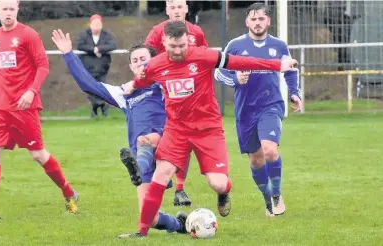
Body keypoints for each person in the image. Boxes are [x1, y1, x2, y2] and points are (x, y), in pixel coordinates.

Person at [118, 20, 298, 238]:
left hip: (208, 130)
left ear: (188, 41)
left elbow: (239, 62)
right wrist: (132, 85)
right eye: (173, 47)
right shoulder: (156, 64)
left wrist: (278, 65)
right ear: (164, 42)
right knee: (160, 175)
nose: (178, 51)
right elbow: (142, 79)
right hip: (177, 130)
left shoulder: (204, 55)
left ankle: (224, 193)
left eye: (182, 45)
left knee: (219, 184)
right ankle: (142, 232)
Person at [51, 29, 187, 235]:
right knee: (149, 218)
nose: (140, 62)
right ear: (131, 66)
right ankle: (180, 225)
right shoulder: (125, 92)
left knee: (146, 141)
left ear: (154, 61)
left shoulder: (164, 84)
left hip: (166, 146)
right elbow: (89, 85)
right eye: (135, 60)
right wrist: (68, 54)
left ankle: (138, 166)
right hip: (143, 155)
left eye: (144, 59)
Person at [0, 0, 78, 220]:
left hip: (24, 107)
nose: (8, 13)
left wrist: (31, 91)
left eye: (11, 9)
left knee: (38, 155)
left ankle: (69, 193)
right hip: (0, 106)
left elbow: (43, 65)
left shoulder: (28, 34)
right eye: (4, 8)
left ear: (17, 10)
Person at [214, 2, 302, 216]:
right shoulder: (235, 46)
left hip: (270, 105)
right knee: (256, 159)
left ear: (268, 21)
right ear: (247, 22)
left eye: (261, 18)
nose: (257, 22)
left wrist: (294, 92)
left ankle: (277, 194)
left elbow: (289, 70)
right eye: (253, 19)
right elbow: (218, 72)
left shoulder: (279, 45)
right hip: (245, 111)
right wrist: (235, 78)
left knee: (270, 149)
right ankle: (267, 199)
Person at [144, 0, 209, 207]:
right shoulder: (157, 32)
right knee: (158, 136)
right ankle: (156, 170)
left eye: (180, 7)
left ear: (187, 9)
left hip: (186, 95)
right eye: (173, 7)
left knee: (185, 140)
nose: (177, 11)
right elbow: (147, 58)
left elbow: (206, 58)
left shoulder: (196, 32)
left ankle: (179, 188)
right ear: (166, 10)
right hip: (161, 92)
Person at [77, 14, 117, 117]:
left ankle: (101, 106)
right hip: (88, 66)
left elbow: (112, 45)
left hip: (102, 66)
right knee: (90, 88)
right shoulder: (84, 34)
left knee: (102, 87)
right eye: (94, 23)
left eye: (98, 23)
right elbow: (80, 45)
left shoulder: (106, 34)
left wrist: (99, 49)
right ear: (90, 24)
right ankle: (97, 105)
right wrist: (93, 49)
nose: (96, 26)